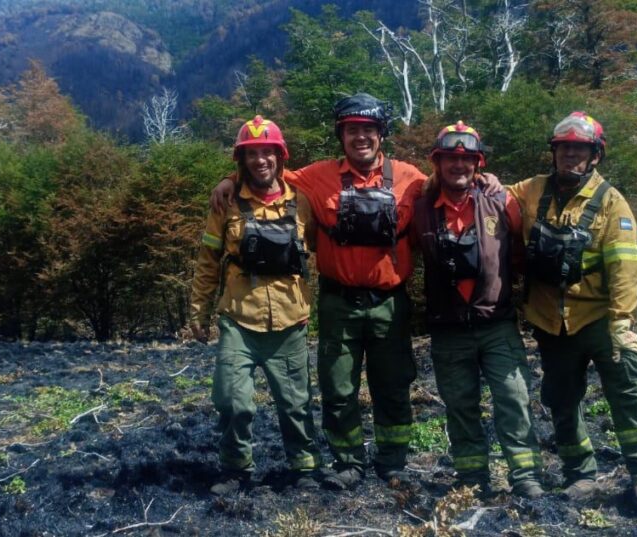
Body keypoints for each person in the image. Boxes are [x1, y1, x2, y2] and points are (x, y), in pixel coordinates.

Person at [210, 93, 503, 490]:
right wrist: (230, 179)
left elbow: (453, 184)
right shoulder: (315, 176)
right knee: (338, 389)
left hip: (390, 303)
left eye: (368, 130)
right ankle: (348, 462)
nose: (360, 137)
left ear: (381, 134)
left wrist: (487, 178)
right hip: (338, 303)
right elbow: (267, 176)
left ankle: (392, 460)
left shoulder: (412, 179)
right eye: (352, 131)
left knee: (394, 386)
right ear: (341, 135)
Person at [509, 112, 637, 510]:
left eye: (580, 149)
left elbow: (626, 265)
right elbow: (492, 197)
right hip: (549, 320)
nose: (571, 156)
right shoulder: (530, 191)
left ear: (595, 156)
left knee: (627, 390)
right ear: (554, 152)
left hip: (599, 317)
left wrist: (621, 322)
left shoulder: (611, 202)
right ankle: (579, 474)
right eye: (564, 149)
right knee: (561, 398)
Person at [189, 115, 322, 495]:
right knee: (232, 401)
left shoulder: (303, 202)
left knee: (296, 405)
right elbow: (207, 261)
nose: (260, 160)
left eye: (268, 153)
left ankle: (304, 467)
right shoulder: (225, 202)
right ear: (241, 160)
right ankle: (235, 468)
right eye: (252, 154)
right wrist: (197, 311)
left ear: (280, 158)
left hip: (291, 320)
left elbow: (321, 252)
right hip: (238, 319)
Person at [411, 121, 544, 499]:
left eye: (466, 159)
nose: (458, 165)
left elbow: (523, 251)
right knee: (459, 405)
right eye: (450, 158)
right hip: (448, 328)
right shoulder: (419, 209)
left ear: (478, 164)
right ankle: (472, 477)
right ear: (437, 162)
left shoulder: (501, 202)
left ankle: (525, 474)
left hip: (496, 322)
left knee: (513, 397)